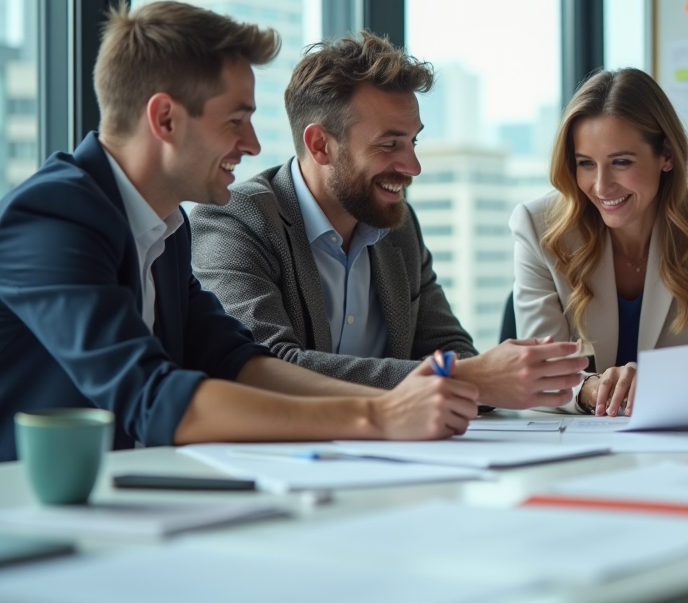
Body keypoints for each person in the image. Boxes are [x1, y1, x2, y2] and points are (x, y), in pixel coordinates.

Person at [0, 2, 479, 464]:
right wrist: (379, 417)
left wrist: (404, 401)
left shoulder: (165, 229)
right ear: (165, 119)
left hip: (117, 497)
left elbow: (239, 363)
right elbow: (152, 397)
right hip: (10, 509)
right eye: (236, 120)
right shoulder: (49, 219)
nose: (253, 144)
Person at [189, 32, 587, 409]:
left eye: (413, 141)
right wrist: (463, 378)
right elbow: (265, 368)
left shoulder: (398, 225)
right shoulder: (235, 220)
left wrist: (485, 374)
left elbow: (449, 347)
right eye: (390, 144)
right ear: (320, 145)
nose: (412, 166)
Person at [511, 68, 688, 417]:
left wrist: (654, 384)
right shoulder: (538, 227)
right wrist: (593, 390)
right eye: (586, 164)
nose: (601, 186)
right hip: (578, 438)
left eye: (621, 162)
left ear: (666, 155)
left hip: (680, 433)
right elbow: (541, 374)